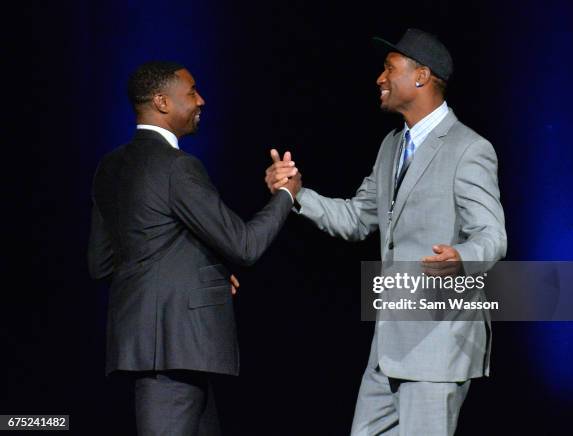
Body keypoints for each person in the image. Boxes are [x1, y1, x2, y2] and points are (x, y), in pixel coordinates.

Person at [266, 29, 506, 435]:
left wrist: (461, 257)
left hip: (437, 341)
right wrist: (297, 194)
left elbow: (492, 235)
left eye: (389, 69)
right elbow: (357, 218)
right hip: (389, 344)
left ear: (421, 76)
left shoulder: (469, 149)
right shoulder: (391, 147)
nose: (379, 78)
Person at [88, 61, 301, 435]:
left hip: (155, 350)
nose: (201, 100)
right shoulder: (178, 167)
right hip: (175, 350)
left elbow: (102, 262)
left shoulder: (109, 166)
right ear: (162, 102)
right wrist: (286, 194)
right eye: (191, 93)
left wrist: (207, 274)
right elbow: (244, 245)